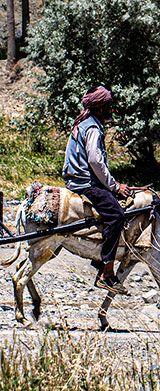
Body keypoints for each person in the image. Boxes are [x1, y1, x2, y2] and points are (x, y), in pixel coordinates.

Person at [62, 85, 131, 295]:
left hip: (77, 179)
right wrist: (114, 186)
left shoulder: (83, 123)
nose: (111, 110)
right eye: (108, 106)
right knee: (116, 214)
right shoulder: (92, 128)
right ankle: (106, 272)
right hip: (85, 182)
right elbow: (95, 161)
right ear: (100, 108)